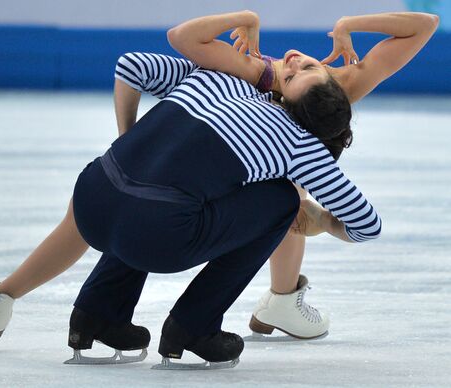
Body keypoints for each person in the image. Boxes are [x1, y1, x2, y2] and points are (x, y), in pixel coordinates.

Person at [0, 11, 384, 369]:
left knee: (162, 190)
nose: (296, 59)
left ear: (291, 96)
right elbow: (366, 226)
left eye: (300, 71)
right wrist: (318, 219)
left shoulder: (220, 76)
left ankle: (96, 316)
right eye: (303, 63)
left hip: (93, 195)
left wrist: (126, 142)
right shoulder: (304, 148)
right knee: (282, 199)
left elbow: (131, 65)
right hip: (154, 236)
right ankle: (193, 328)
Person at [158, 10, 439, 340]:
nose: (295, 61)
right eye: (295, 74)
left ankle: (282, 297)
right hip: (214, 176)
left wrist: (347, 24)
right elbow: (181, 38)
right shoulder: (257, 73)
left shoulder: (340, 84)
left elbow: (426, 24)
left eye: (307, 67)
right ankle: (281, 298)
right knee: (286, 200)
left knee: (290, 198)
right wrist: (246, 17)